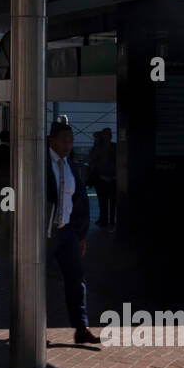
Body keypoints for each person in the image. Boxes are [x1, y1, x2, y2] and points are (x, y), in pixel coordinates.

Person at [46, 122, 99, 346]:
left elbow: (80, 202)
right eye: (64, 140)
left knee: (76, 279)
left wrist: (81, 235)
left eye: (71, 140)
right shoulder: (40, 165)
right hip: (44, 233)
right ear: (52, 141)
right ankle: (33, 328)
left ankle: (81, 328)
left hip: (66, 231)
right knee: (36, 281)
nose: (68, 144)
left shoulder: (71, 166)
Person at [88, 129, 117, 228]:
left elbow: (93, 161)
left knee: (103, 201)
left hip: (102, 178)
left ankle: (104, 219)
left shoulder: (98, 148)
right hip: (112, 178)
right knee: (111, 201)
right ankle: (111, 220)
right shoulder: (115, 147)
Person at [0, 130, 11, 229]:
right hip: (8, 176)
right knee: (9, 195)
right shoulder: (10, 150)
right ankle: (8, 216)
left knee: (0, 195)